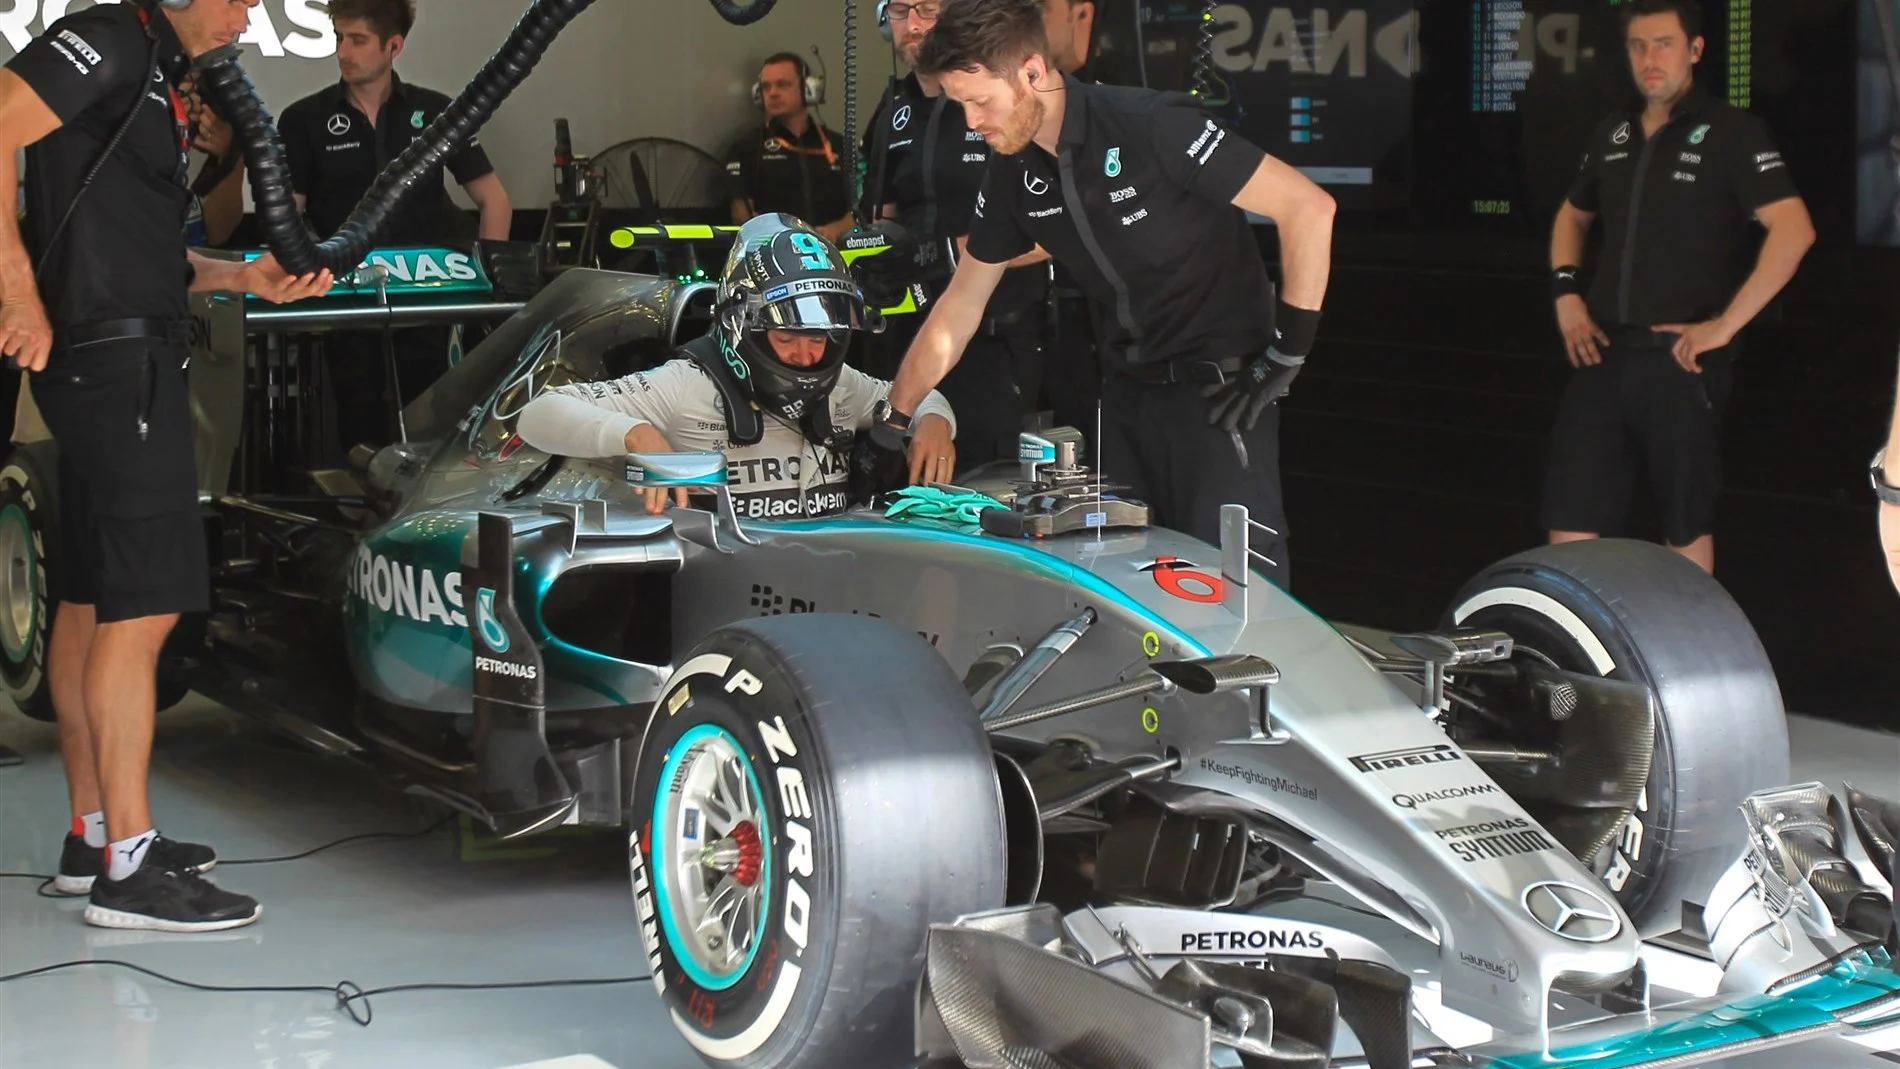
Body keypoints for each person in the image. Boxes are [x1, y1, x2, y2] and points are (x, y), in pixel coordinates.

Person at [0, 0, 333, 931]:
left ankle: (92, 835)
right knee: (142, 611)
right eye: (237, 2)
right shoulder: (110, 36)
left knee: (92, 600)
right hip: (112, 364)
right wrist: (15, 287)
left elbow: (138, 248)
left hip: (122, 351)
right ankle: (131, 870)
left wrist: (244, 275)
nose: (244, 20)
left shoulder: (149, 71)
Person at [877, 0, 1335, 584]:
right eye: (959, 105)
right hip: (1122, 397)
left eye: (980, 101)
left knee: (1239, 594)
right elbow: (961, 306)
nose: (971, 123)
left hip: (1220, 397)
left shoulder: (1151, 124)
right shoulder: (1013, 172)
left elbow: (1308, 207)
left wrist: (1288, 352)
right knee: (1132, 587)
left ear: (1032, 73)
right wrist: (896, 415)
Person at [1545, 0, 1812, 575]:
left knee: (1684, 523)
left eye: (1664, 43)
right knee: (1570, 518)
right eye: (1639, 46)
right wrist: (1566, 293)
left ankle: (1691, 659)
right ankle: (1577, 658)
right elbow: (1572, 214)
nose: (1650, 58)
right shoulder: (1612, 131)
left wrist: (1725, 326)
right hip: (1600, 353)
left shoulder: (1732, 132)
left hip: (1681, 361)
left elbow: (1794, 232)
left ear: (1694, 50)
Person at [517, 215, 957, 517]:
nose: (806, 358)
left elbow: (917, 396)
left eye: (819, 340)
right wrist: (635, 434)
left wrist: (934, 419)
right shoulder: (685, 386)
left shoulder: (842, 385)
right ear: (740, 325)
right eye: (787, 338)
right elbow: (536, 414)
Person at [279, 0, 513, 458]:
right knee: (359, 425)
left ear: (393, 46)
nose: (344, 51)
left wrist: (486, 289)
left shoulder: (437, 112)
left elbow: (494, 200)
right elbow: (288, 216)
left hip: (434, 298)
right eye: (339, 38)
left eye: (358, 40)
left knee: (436, 424)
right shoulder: (303, 119)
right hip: (349, 301)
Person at [856, 0, 1050, 469]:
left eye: (927, 8)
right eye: (901, 10)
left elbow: (1054, 231)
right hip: (907, 338)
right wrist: (871, 258)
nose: (915, 24)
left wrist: (943, 253)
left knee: (981, 492)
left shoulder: (1001, 101)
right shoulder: (892, 111)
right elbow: (881, 218)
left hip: (995, 336)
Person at [724, 53, 854, 244]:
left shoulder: (838, 145)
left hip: (835, 255)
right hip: (775, 256)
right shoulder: (746, 147)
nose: (773, 93)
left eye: (783, 84)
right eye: (766, 87)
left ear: (809, 88)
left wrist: (835, 230)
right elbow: (741, 215)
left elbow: (865, 207)